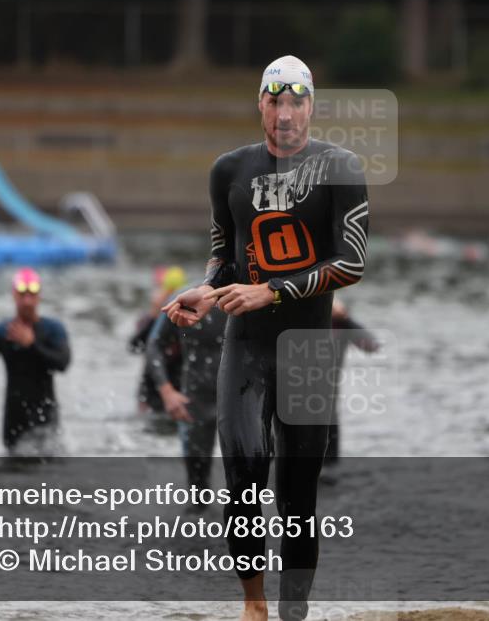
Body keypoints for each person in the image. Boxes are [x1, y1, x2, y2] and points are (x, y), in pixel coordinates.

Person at [164, 55, 369, 621]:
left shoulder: (341, 167)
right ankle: (254, 606)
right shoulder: (228, 171)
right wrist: (205, 290)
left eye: (297, 102)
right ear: (260, 103)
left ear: (311, 105)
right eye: (275, 102)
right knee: (244, 476)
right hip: (246, 346)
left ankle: (291, 614)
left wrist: (270, 291)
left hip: (305, 350)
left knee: (299, 498)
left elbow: (351, 262)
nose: (286, 115)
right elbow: (224, 257)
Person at [145, 283, 227, 510]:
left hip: (238, 397)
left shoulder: (247, 297)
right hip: (195, 399)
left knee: (249, 479)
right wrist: (167, 392)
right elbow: (154, 344)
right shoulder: (187, 299)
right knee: (198, 494)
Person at [0, 267, 71, 455]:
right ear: (14, 295)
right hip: (14, 417)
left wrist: (32, 344)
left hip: (46, 415)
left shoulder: (53, 330)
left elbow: (63, 363)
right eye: (22, 294)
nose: (27, 300)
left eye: (32, 294)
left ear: (39, 296)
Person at [128, 266, 186, 433]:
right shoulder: (147, 319)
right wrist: (154, 315)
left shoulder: (188, 320)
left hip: (178, 388)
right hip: (149, 388)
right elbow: (134, 346)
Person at [324, 298, 379, 472]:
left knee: (328, 424)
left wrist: (346, 320)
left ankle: (330, 467)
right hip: (294, 384)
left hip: (327, 387)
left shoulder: (342, 326)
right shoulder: (304, 319)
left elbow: (372, 346)